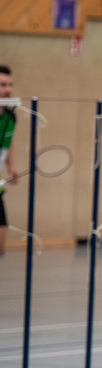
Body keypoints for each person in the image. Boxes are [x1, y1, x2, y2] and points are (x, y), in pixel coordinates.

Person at [0, 65, 19, 256]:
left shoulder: (10, 117)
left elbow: (8, 141)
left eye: (10, 85)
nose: (8, 89)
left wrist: (11, 166)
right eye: (2, 85)